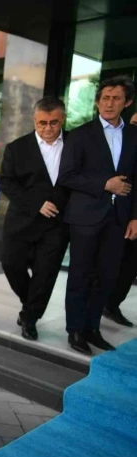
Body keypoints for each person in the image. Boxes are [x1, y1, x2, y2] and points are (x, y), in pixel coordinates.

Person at [58, 76, 137, 355]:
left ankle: (92, 328)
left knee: (107, 276)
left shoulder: (134, 136)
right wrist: (105, 184)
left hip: (119, 218)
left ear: (127, 102)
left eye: (116, 98)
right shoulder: (80, 135)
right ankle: (75, 330)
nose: (109, 103)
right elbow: (67, 176)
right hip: (85, 217)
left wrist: (135, 217)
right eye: (105, 98)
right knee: (80, 276)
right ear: (97, 102)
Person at [0, 97, 70, 341]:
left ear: (63, 119)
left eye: (53, 123)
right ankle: (29, 302)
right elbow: (6, 182)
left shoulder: (75, 144)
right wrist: (36, 203)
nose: (48, 128)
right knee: (10, 263)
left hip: (58, 223)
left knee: (45, 274)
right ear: (34, 120)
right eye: (42, 123)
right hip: (21, 220)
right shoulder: (17, 148)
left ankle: (30, 318)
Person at [104, 110, 137, 327]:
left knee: (130, 266)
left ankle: (112, 304)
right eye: (134, 124)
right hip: (118, 215)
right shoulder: (122, 147)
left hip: (132, 217)